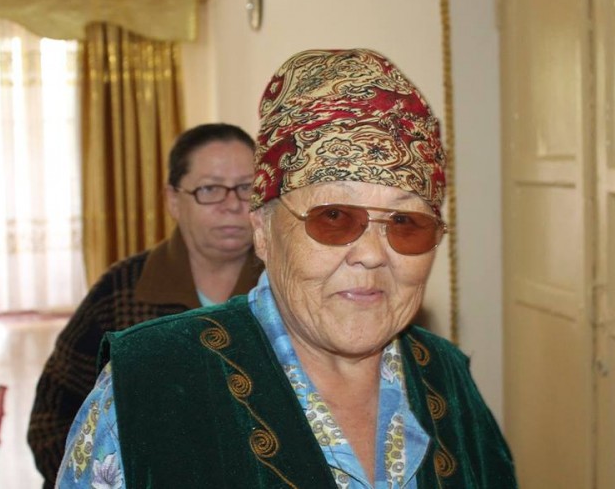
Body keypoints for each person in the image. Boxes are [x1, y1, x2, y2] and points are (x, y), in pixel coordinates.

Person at [56, 49, 516, 488]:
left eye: (405, 223)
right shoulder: (149, 384)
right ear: (263, 232)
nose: (372, 254)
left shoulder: (446, 378)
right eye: (334, 217)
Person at [28, 123, 264, 488]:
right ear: (173, 200)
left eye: (247, 188)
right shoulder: (123, 290)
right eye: (210, 189)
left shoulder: (283, 290)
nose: (233, 205)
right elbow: (52, 416)